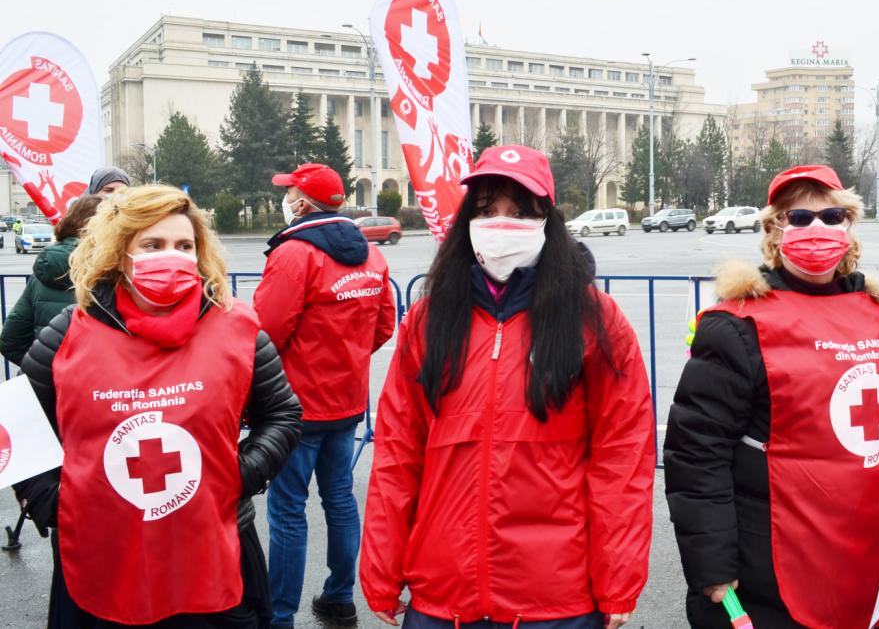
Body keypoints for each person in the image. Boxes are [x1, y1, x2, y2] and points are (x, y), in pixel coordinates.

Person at [359, 145, 655, 629]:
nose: (501, 224)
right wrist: (381, 572)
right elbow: (397, 454)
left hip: (554, 599)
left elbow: (621, 458)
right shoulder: (429, 321)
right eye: (486, 210)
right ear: (467, 222)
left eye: (519, 212)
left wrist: (618, 580)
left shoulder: (594, 320)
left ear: (547, 222)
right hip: (443, 594)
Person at [14, 184, 302, 628]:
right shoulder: (66, 334)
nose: (172, 256)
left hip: (214, 552)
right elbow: (21, 428)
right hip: (101, 558)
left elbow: (282, 414)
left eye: (184, 245)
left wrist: (237, 475)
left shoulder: (238, 330)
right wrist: (54, 500)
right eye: (153, 244)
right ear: (120, 251)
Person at [664, 165, 879, 629]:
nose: (817, 229)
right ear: (774, 229)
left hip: (868, 557)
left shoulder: (877, 308)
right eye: (800, 218)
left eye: (831, 216)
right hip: (770, 565)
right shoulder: (737, 324)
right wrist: (713, 568)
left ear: (848, 226)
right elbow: (695, 454)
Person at [254, 162, 396, 629]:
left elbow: (266, 334)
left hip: (295, 407)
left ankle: (279, 616)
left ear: (301, 203)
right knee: (339, 499)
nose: (286, 197)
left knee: (288, 509)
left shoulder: (295, 254)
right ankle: (339, 596)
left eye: (289, 190)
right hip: (347, 401)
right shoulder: (372, 257)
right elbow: (382, 326)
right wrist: (347, 357)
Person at [1, 196, 102, 366]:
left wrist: (44, 372)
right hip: (100, 385)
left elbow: (11, 340)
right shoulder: (114, 269)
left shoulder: (44, 269)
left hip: (50, 387)